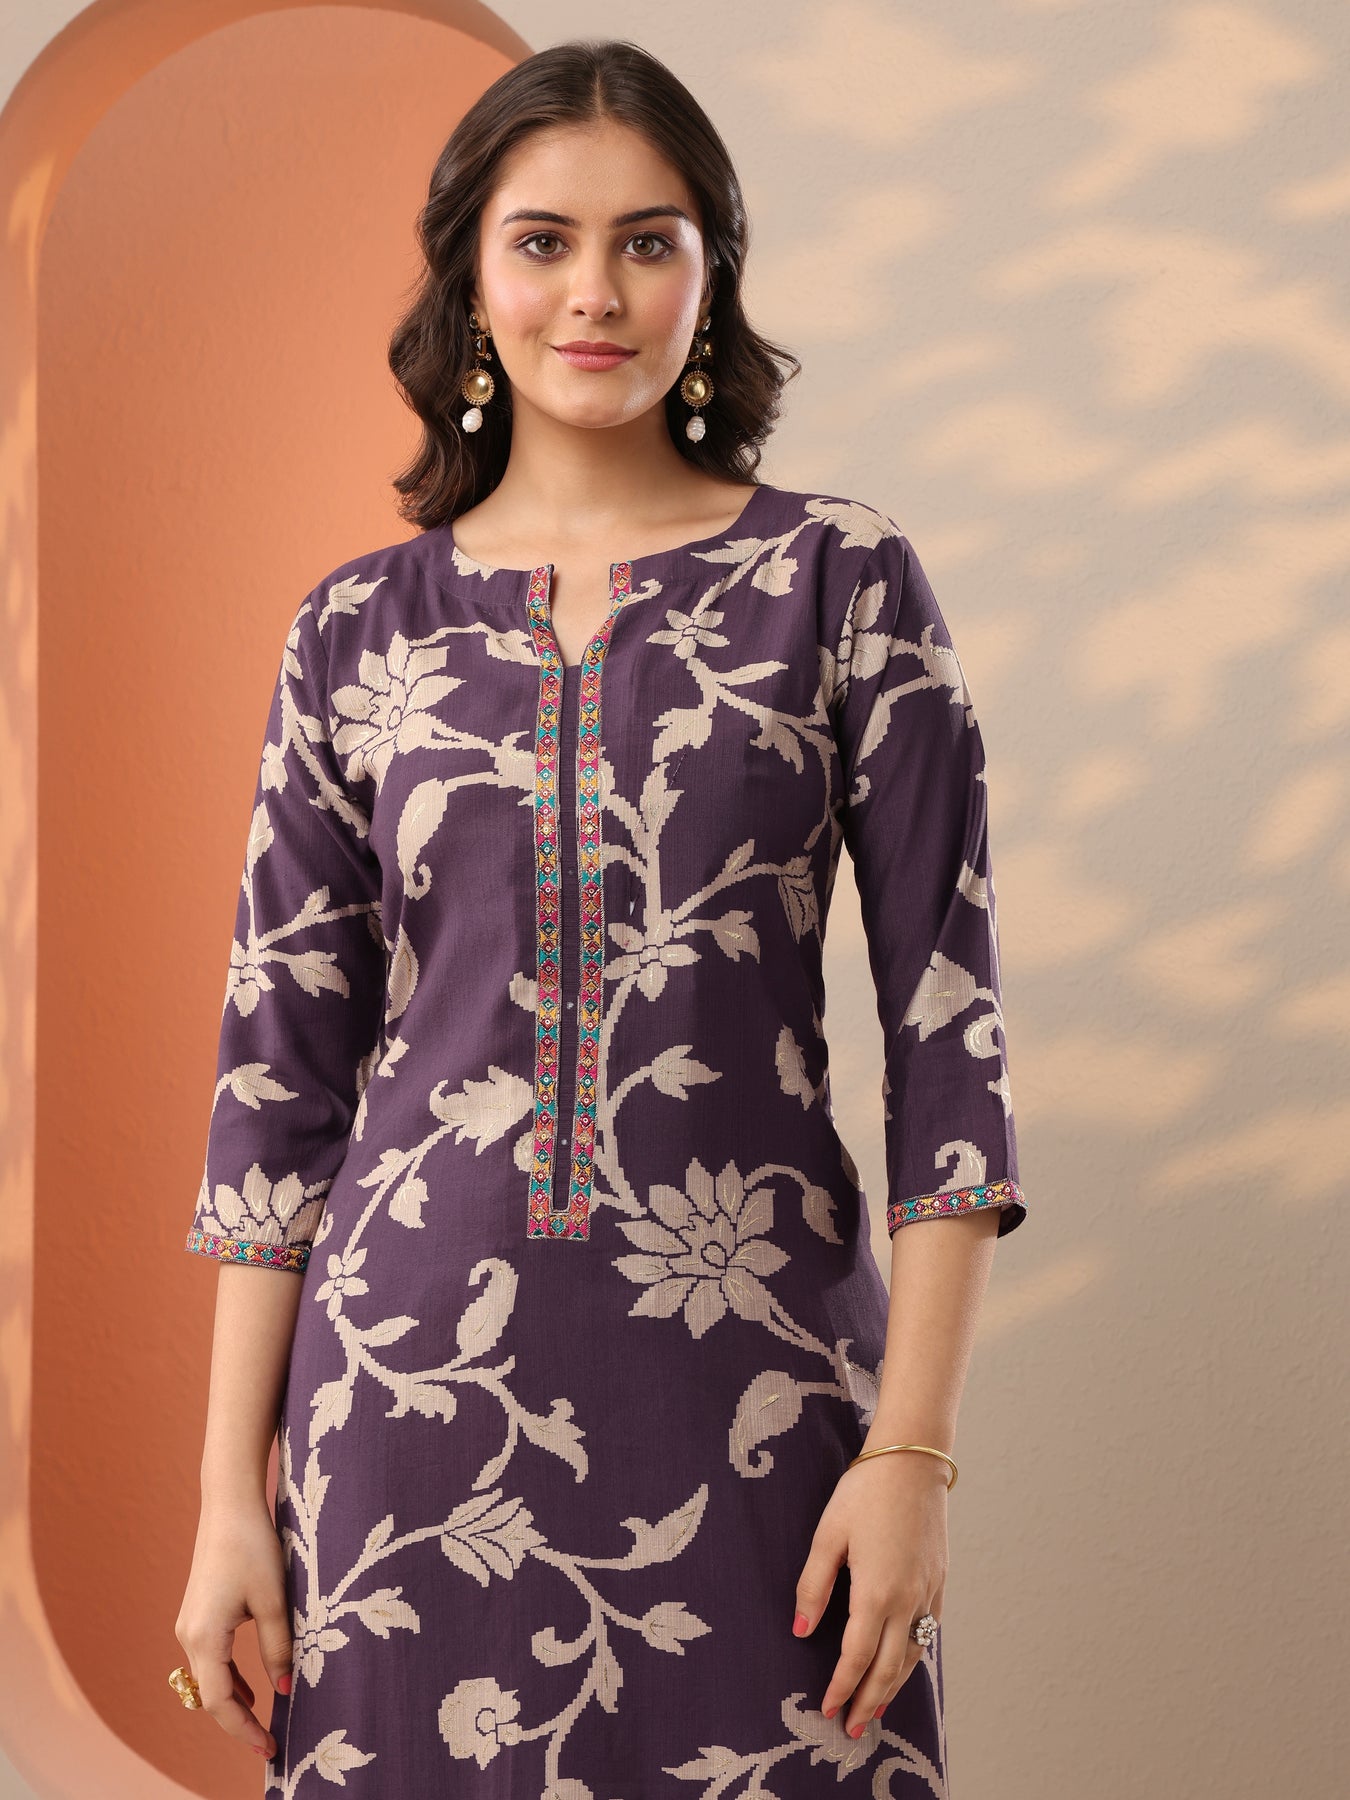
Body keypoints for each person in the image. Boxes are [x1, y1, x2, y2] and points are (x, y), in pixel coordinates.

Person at [170, 37, 1026, 1797]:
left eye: (648, 242)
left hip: (765, 1392)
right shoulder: (354, 634)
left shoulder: (837, 582)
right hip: (398, 1406)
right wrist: (224, 1501)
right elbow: (276, 1089)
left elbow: (950, 1044)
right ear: (468, 280)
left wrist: (911, 1454)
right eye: (543, 242)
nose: (595, 294)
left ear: (710, 276)